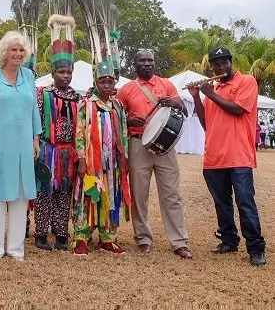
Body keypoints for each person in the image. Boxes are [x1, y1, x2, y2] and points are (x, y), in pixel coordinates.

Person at [187, 47, 267, 267]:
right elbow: (206, 124)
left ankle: (255, 247)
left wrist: (210, 93)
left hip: (238, 156)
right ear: (211, 66)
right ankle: (229, 240)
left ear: (231, 63)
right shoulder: (213, 89)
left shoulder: (247, 82)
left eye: (224, 62)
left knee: (245, 202)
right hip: (213, 157)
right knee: (221, 204)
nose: (220, 67)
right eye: (216, 64)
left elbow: (239, 110)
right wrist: (196, 97)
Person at [117, 49, 192, 259]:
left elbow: (183, 111)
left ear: (154, 63)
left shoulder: (166, 84)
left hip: (165, 147)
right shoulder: (126, 90)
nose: (147, 64)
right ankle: (143, 238)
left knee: (172, 195)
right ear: (135, 64)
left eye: (150, 60)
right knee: (139, 195)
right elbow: (116, 118)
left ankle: (179, 241)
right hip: (138, 144)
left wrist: (175, 102)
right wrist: (129, 122)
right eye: (142, 61)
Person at [0, 31, 42, 261]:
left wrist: (36, 137)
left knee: (20, 196)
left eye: (21, 50)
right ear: (5, 52)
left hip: (23, 143)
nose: (17, 53)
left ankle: (16, 249)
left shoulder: (29, 76)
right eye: (13, 49)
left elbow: (34, 109)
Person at [73, 61, 130, 256]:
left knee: (111, 195)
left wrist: (125, 158)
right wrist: (81, 159)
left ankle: (107, 237)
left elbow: (123, 132)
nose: (107, 86)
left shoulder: (117, 106)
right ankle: (81, 236)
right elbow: (80, 132)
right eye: (102, 81)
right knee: (88, 194)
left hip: (112, 162)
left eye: (110, 81)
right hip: (91, 160)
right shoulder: (86, 105)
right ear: (95, 82)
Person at [34, 37, 80, 251]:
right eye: (61, 72)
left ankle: (61, 232)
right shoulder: (43, 94)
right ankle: (41, 232)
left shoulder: (77, 97)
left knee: (64, 192)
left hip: (68, 152)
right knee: (45, 191)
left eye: (69, 72)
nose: (65, 76)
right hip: (48, 150)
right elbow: (35, 120)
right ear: (53, 73)